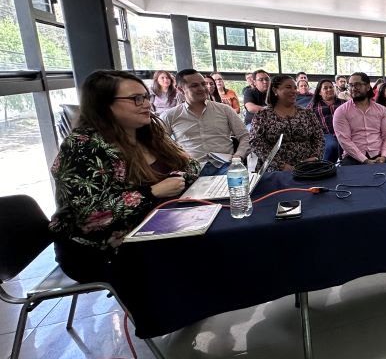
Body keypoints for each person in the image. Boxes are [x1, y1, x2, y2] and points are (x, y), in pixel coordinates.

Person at [49, 70, 200, 282]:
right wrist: (152, 192)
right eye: (135, 99)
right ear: (103, 104)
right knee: (202, 253)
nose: (146, 103)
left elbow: (192, 165)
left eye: (146, 96)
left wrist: (177, 178)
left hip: (157, 229)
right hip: (98, 251)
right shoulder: (83, 146)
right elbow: (87, 214)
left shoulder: (148, 132)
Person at [162, 69, 250, 176]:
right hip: (190, 170)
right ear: (180, 89)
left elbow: (245, 136)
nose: (202, 88)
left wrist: (238, 156)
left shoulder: (224, 110)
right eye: (194, 86)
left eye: (203, 84)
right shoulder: (170, 115)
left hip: (226, 166)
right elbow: (159, 144)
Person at [250, 74, 324, 171]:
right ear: (275, 90)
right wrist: (280, 165)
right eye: (288, 87)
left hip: (307, 168)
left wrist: (315, 157)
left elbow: (319, 137)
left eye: (295, 88)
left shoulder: (307, 113)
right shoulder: (263, 115)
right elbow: (256, 142)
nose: (294, 91)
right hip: (274, 169)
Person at [333, 71, 386, 165]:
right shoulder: (341, 111)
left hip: (380, 154)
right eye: (351, 85)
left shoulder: (381, 110)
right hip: (354, 157)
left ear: (367, 87)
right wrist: (365, 160)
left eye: (357, 85)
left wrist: (384, 156)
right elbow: (345, 141)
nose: (353, 88)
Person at [309, 78, 343, 163]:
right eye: (325, 88)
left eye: (331, 87)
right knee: (332, 146)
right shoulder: (313, 106)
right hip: (325, 134)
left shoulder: (343, 103)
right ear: (320, 92)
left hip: (343, 133)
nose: (329, 89)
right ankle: (324, 168)